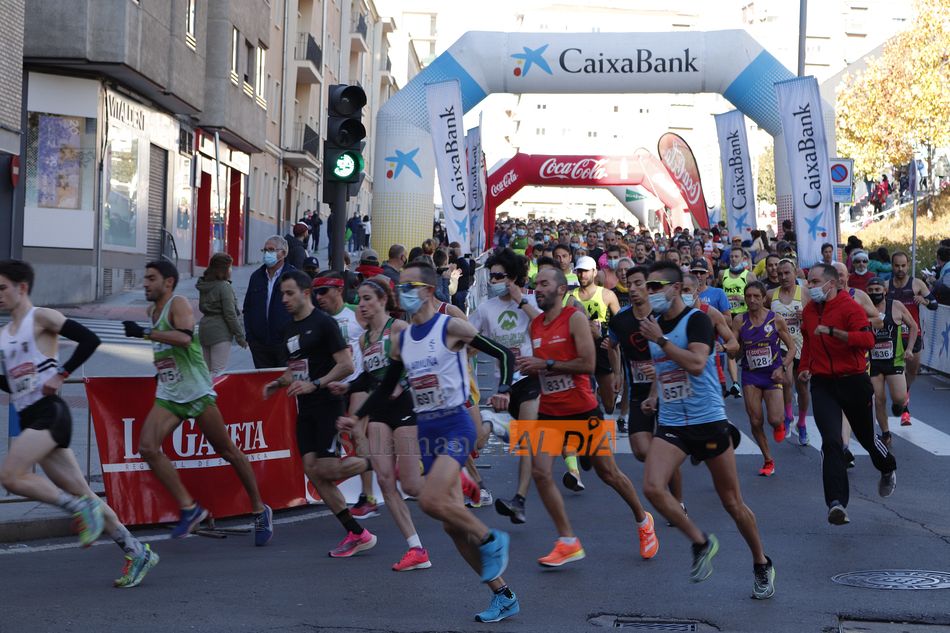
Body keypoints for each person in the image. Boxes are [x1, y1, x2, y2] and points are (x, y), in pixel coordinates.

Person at [348, 261, 520, 623]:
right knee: (451, 527)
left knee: (428, 498)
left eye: (409, 286)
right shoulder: (402, 340)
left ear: (428, 291)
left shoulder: (451, 326)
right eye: (401, 287)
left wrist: (503, 389)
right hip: (428, 430)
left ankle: (491, 538)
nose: (403, 292)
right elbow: (385, 389)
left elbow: (503, 354)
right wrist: (358, 415)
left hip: (457, 425)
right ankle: (502, 595)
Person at [0, 259, 158, 588]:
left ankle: (76, 508)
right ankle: (135, 549)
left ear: (22, 288)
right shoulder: (5, 335)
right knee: (85, 492)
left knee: (11, 476)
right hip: (30, 416)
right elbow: (13, 383)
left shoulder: (39, 317)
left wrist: (61, 373)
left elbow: (89, 339)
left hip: (50, 413)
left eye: (2, 288)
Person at [639, 261, 774, 599]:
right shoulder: (653, 325)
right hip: (672, 421)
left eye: (656, 287)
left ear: (674, 289)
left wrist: (663, 342)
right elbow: (664, 369)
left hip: (707, 420)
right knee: (653, 488)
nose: (650, 293)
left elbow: (698, 364)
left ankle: (760, 562)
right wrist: (654, 396)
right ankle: (700, 542)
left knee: (732, 502)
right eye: (648, 287)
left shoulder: (697, 320)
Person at [516, 268, 658, 567]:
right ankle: (567, 541)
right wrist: (529, 369)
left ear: (559, 289)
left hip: (582, 409)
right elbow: (540, 367)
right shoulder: (536, 325)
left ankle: (643, 520)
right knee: (541, 473)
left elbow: (588, 363)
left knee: (608, 474)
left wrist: (546, 363)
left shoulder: (575, 318)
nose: (537, 288)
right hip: (549, 411)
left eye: (544, 284)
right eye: (536, 284)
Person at [124, 261, 273, 544]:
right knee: (147, 447)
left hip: (196, 392)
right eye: (144, 278)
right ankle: (190, 508)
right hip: (169, 394)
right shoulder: (150, 311)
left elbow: (182, 337)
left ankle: (258, 507)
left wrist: (145, 334)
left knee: (228, 450)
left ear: (168, 282)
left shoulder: (177, 304)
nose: (145, 283)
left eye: (151, 278)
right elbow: (164, 351)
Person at [262, 270, 372, 557]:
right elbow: (297, 367)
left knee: (326, 470)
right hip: (306, 410)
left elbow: (346, 365)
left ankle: (375, 463)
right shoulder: (288, 329)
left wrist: (316, 384)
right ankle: (357, 533)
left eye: (289, 293)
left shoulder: (324, 324)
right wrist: (279, 382)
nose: (284, 299)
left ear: (305, 293)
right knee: (313, 472)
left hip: (327, 405)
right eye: (281, 294)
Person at [329, 277, 430, 570]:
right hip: (379, 414)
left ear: (383, 300)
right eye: (359, 299)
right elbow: (370, 377)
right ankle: (416, 549)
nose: (362, 305)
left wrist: (402, 384)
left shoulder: (397, 329)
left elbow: (419, 363)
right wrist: (346, 388)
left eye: (368, 299)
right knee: (385, 480)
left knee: (410, 484)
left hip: (404, 409)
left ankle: (453, 483)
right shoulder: (364, 339)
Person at [798, 264, 897, 525]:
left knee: (865, 438)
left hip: (853, 381)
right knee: (831, 442)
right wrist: (805, 367)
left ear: (831, 284)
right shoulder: (809, 311)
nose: (810, 286)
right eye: (809, 282)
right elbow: (808, 340)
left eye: (815, 281)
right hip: (823, 385)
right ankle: (836, 503)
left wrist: (834, 332)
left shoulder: (850, 308)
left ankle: (887, 467)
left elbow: (867, 342)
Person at [469, 249, 541, 525]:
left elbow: (544, 324)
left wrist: (521, 300)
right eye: (491, 276)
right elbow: (470, 340)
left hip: (531, 377)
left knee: (527, 438)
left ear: (513, 278)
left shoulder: (531, 302)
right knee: (506, 435)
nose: (493, 281)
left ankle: (519, 500)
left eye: (499, 276)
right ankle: (494, 423)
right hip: (504, 384)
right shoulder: (486, 309)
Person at [608, 265, 684, 512]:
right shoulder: (621, 319)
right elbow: (612, 345)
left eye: (638, 283)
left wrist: (660, 369)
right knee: (642, 451)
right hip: (639, 393)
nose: (632, 289)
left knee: (663, 451)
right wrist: (617, 373)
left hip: (668, 392)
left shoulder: (664, 316)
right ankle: (665, 468)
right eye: (629, 284)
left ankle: (677, 503)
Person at [312, 271, 376, 517]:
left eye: (323, 291)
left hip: (357, 383)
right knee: (336, 438)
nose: (319, 297)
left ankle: (367, 496)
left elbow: (382, 330)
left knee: (358, 433)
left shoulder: (356, 313)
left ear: (338, 289)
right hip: (333, 387)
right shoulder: (319, 319)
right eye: (315, 292)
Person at [731, 282, 796, 477]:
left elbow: (792, 348)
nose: (752, 300)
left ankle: (780, 423)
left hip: (772, 373)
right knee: (755, 420)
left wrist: (782, 366)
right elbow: (734, 348)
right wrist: (730, 348)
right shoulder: (739, 321)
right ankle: (768, 460)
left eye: (756, 296)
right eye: (748, 296)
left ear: (763, 298)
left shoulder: (775, 320)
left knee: (774, 419)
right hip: (751, 374)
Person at [569, 255, 621, 419]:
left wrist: (612, 341)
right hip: (580, 350)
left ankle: (598, 393)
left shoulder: (607, 295)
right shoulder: (571, 297)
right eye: (579, 272)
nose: (582, 275)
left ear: (594, 272)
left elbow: (621, 323)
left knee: (610, 405)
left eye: (585, 272)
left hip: (602, 348)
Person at [886, 251, 939, 413]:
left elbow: (935, 304)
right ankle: (901, 401)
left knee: (912, 370)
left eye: (903, 265)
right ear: (892, 266)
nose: (900, 269)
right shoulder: (886, 286)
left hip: (912, 334)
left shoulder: (917, 284)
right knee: (894, 371)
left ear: (908, 265)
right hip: (892, 335)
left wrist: (924, 300)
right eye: (897, 266)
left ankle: (904, 393)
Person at [866, 278, 918, 440]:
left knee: (900, 398)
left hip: (894, 360)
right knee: (879, 399)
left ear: (884, 291)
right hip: (873, 362)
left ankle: (899, 404)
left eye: (877, 290)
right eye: (871, 290)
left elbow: (913, 326)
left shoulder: (895, 306)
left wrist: (909, 349)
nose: (874, 293)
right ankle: (886, 433)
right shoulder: (863, 308)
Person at [769, 258, 810, 445]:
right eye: (780, 274)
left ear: (796, 273)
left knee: (802, 386)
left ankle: (801, 423)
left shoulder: (805, 294)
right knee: (786, 380)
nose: (783, 277)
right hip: (781, 344)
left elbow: (818, 318)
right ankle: (788, 416)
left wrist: (805, 318)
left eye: (787, 273)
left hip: (802, 344)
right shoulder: (771, 295)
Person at [244, 235, 295, 368]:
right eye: (265, 250)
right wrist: (250, 337)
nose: (267, 253)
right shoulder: (256, 277)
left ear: (283, 253)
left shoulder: (293, 276)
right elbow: (248, 307)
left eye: (271, 250)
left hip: (285, 344)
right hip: (260, 345)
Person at [197, 252, 247, 377]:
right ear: (223, 269)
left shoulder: (204, 285)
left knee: (206, 372)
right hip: (220, 332)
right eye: (229, 267)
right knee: (218, 371)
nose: (231, 270)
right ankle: (214, 396)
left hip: (204, 329)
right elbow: (230, 314)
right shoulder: (223, 287)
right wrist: (240, 336)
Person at [721, 247, 756, 398]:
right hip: (730, 318)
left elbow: (758, 296)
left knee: (747, 349)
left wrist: (745, 299)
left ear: (743, 258)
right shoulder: (723, 274)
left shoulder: (749, 276)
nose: (734, 259)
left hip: (744, 317)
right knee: (731, 350)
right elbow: (719, 292)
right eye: (732, 257)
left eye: (737, 256)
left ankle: (753, 378)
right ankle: (735, 383)